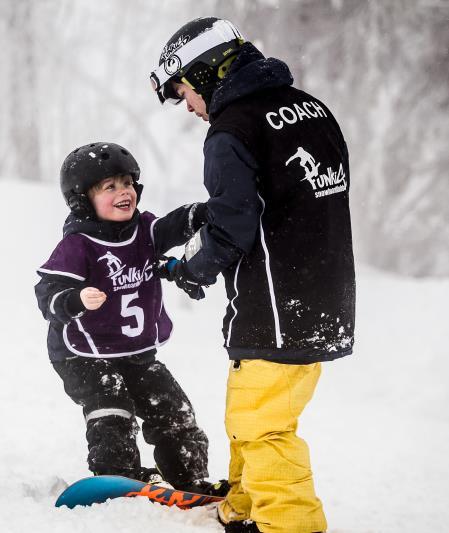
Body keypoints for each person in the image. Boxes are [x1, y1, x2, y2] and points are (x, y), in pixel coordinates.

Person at [150, 17, 356, 533]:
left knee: (263, 428)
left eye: (185, 92)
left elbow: (232, 225)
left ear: (206, 73)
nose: (190, 108)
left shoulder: (231, 130)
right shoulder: (311, 108)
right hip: (327, 296)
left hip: (276, 305)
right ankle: (244, 507)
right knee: (251, 410)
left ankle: (290, 525)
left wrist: (189, 268)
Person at [34, 141, 228, 496]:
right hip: (82, 354)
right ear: (83, 200)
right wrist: (75, 298)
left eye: (126, 184)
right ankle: (117, 478)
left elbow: (172, 226)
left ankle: (189, 479)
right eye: (109, 187)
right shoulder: (78, 245)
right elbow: (47, 293)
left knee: (172, 408)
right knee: (112, 405)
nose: (123, 192)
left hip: (135, 351)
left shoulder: (144, 229)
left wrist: (205, 212)